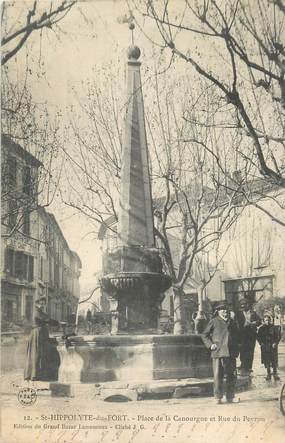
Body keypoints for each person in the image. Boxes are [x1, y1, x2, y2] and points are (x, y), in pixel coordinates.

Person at [202, 301, 240, 404]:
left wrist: (236, 350)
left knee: (231, 376)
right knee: (218, 376)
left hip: (230, 353)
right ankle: (218, 397)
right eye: (222, 310)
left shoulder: (232, 322)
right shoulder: (214, 321)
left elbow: (237, 337)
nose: (225, 312)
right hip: (218, 353)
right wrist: (210, 345)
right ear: (218, 312)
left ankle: (230, 397)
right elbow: (204, 335)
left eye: (226, 310)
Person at [24, 297, 59, 381]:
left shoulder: (41, 312)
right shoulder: (36, 312)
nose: (42, 305)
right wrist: (57, 322)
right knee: (36, 353)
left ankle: (39, 374)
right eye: (40, 303)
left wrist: (56, 322)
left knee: (42, 353)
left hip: (41, 334)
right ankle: (34, 375)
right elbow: (47, 320)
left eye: (43, 304)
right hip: (37, 334)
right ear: (36, 304)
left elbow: (47, 320)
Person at [236, 298, 261, 375]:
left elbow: (259, 321)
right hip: (242, 334)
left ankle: (249, 366)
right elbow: (236, 322)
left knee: (250, 350)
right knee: (242, 350)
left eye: (245, 304)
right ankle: (243, 364)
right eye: (242, 305)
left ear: (248, 305)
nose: (243, 306)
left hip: (251, 335)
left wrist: (254, 323)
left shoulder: (253, 313)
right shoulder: (238, 313)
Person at [257, 313, 281, 381]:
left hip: (273, 346)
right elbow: (258, 337)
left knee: (274, 361)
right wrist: (261, 343)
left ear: (270, 320)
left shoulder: (274, 327)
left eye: (268, 320)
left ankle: (275, 374)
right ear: (264, 321)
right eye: (266, 320)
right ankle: (268, 374)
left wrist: (276, 343)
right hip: (265, 347)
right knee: (267, 361)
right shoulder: (261, 328)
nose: (267, 322)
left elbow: (278, 336)